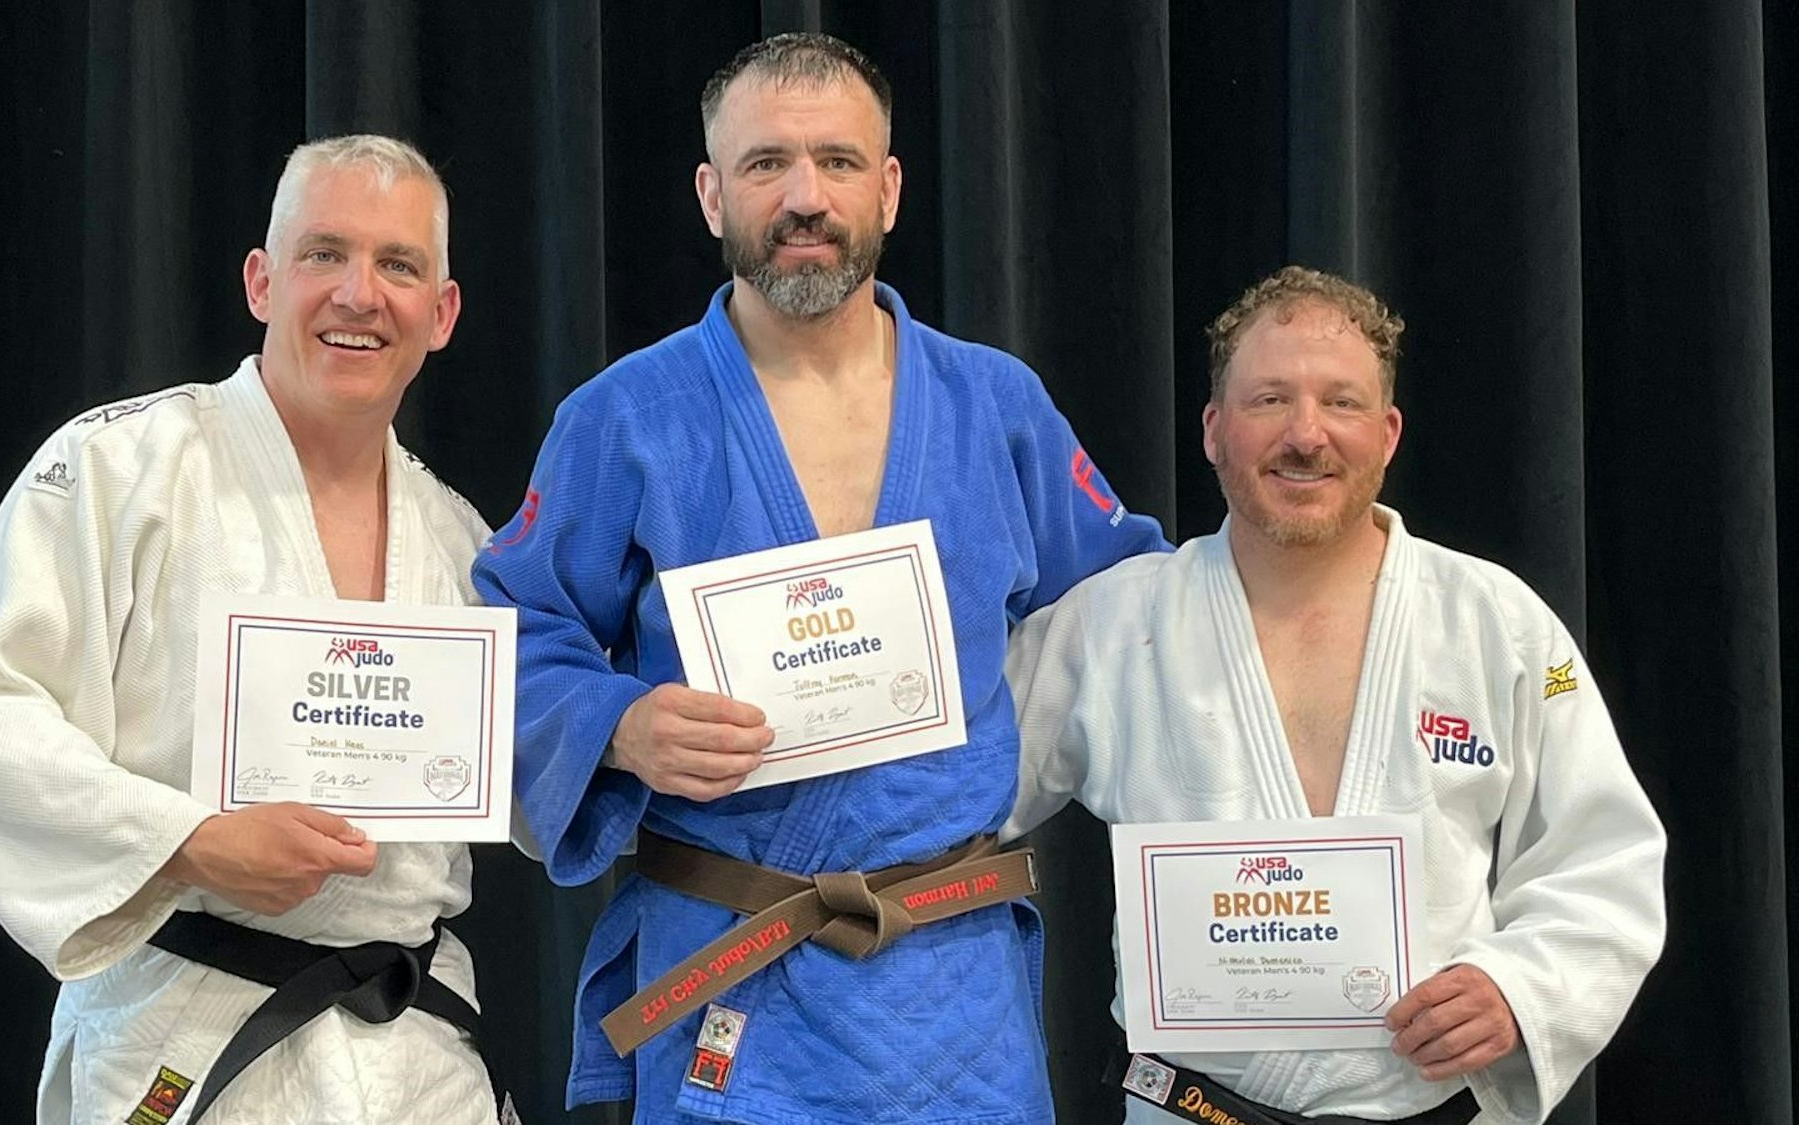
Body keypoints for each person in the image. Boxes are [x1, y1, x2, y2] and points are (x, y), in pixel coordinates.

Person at [472, 31, 1168, 1125]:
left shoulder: (996, 406)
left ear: (887, 189)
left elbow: (1136, 611)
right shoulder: (621, 419)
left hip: (949, 984)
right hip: (732, 968)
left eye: (838, 162)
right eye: (764, 165)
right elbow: (513, 628)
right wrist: (617, 722)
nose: (804, 196)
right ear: (710, 195)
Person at [0, 135, 504, 1125]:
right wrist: (187, 840)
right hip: (183, 1043)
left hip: (417, 1060)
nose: (360, 294)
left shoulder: (462, 542)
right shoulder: (117, 470)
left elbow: (533, 772)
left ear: (439, 313)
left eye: (398, 265)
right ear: (261, 281)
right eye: (324, 253)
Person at [1003, 266, 1666, 1125]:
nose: (1306, 434)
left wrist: (1520, 989)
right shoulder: (1113, 623)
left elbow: (1603, 855)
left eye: (1341, 403)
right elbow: (954, 783)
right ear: (1213, 429)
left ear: (1388, 433)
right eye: (1269, 400)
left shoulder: (1495, 621)